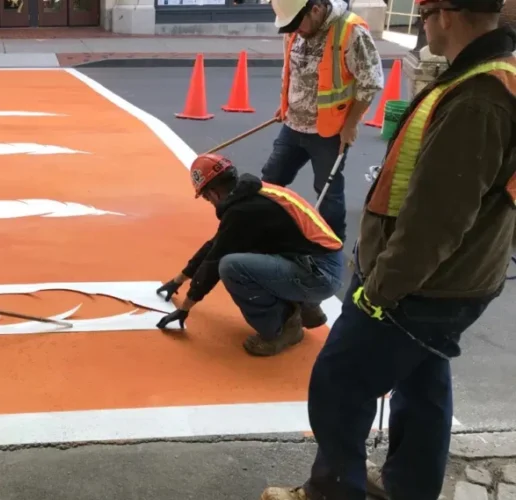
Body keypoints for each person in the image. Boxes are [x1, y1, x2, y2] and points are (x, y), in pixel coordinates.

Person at [261, 0, 516, 497]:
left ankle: (332, 491)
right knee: (421, 380)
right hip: (455, 279)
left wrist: (380, 290)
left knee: (339, 381)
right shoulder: (487, 78)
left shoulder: (478, 96)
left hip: (423, 284)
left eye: (423, 16)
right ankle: (408, 487)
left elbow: (436, 219)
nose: (421, 27)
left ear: (447, 14)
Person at [155, 154, 345, 357]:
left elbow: (214, 260)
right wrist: (179, 279)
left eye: (205, 196)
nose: (208, 201)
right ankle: (306, 306)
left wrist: (186, 307)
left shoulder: (243, 211)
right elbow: (216, 244)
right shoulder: (255, 194)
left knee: (231, 266)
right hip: (318, 264)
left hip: (320, 274)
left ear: (213, 192)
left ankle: (281, 330)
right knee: (244, 250)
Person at [263, 0, 385, 243]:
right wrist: (286, 103)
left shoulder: (349, 31)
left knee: (328, 193)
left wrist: (350, 124)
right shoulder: (294, 26)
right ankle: (267, 229)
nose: (295, 31)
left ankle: (331, 245)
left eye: (298, 25)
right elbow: (294, 70)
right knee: (271, 179)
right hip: (293, 124)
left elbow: (370, 82)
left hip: (329, 131)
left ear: (316, 9)